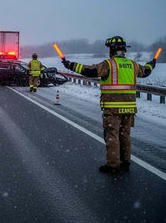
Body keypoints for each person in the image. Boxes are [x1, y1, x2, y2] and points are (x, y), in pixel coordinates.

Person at [62, 36, 156, 174]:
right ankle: (126, 162)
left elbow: (89, 71)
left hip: (112, 108)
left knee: (112, 135)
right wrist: (152, 63)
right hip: (129, 108)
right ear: (124, 49)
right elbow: (146, 71)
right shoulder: (133, 65)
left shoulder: (109, 64)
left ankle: (113, 165)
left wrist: (69, 65)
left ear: (111, 50)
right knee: (125, 135)